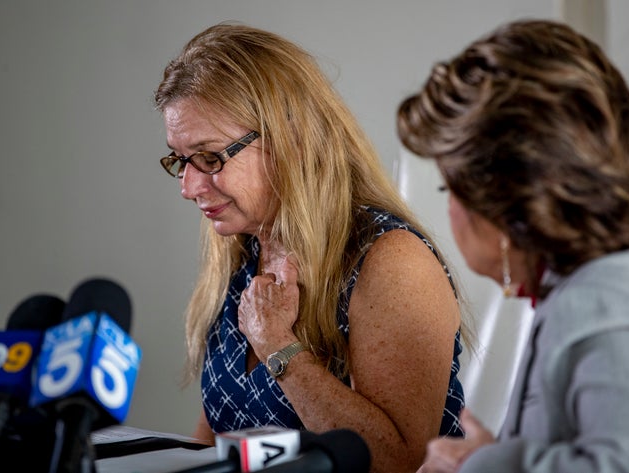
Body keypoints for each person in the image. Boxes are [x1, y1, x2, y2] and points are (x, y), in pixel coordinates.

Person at [154, 22, 473, 472]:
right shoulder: (240, 250)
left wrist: (276, 345)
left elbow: (398, 461)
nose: (188, 187)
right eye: (180, 161)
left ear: (291, 139)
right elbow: (216, 439)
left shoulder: (391, 259)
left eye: (209, 158)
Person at [397, 19, 629, 473]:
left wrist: (481, 467)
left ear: (504, 202)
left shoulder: (612, 310)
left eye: (449, 191)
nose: (449, 213)